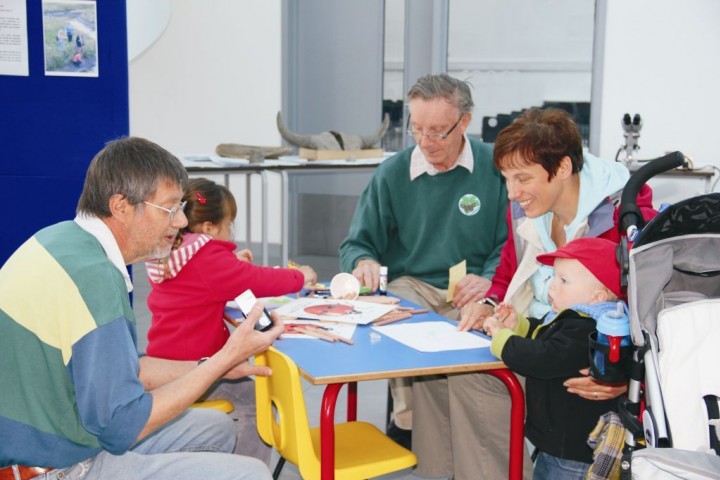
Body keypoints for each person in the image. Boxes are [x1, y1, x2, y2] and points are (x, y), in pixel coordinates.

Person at [0, 137, 279, 480]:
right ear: (121, 206)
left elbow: (129, 372)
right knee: (252, 475)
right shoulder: (95, 278)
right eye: (170, 208)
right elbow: (121, 427)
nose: (179, 222)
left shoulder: (60, 240)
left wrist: (214, 366)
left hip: (52, 434)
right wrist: (223, 358)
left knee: (218, 427)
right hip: (58, 465)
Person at [412, 107, 656, 479]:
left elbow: (650, 305)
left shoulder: (624, 217)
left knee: (473, 379)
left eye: (522, 178)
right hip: (538, 330)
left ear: (561, 169)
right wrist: (490, 303)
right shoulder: (528, 209)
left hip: (576, 353)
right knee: (435, 368)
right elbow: (509, 269)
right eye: (506, 179)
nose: (512, 192)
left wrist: (626, 376)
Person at [339, 73, 509, 448]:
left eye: (437, 131)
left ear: (464, 122)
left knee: (466, 333)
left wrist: (489, 280)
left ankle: (458, 438)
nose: (426, 142)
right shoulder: (393, 173)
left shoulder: (494, 166)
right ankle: (410, 426)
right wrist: (363, 260)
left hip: (474, 285)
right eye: (417, 129)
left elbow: (508, 244)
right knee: (401, 312)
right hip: (411, 283)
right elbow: (356, 243)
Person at [144, 177, 317, 463]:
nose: (231, 231)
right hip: (197, 366)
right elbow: (259, 280)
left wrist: (232, 262)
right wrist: (302, 277)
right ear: (210, 228)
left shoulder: (173, 251)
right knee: (258, 403)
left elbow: (203, 280)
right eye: (229, 224)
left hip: (164, 365)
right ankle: (248, 468)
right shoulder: (208, 259)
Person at [483, 237, 626, 480]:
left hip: (571, 451)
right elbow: (546, 334)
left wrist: (503, 339)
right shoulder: (574, 319)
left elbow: (545, 357)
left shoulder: (587, 329)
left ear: (598, 297)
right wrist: (518, 325)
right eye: (553, 277)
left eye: (564, 281)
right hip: (558, 444)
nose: (552, 286)